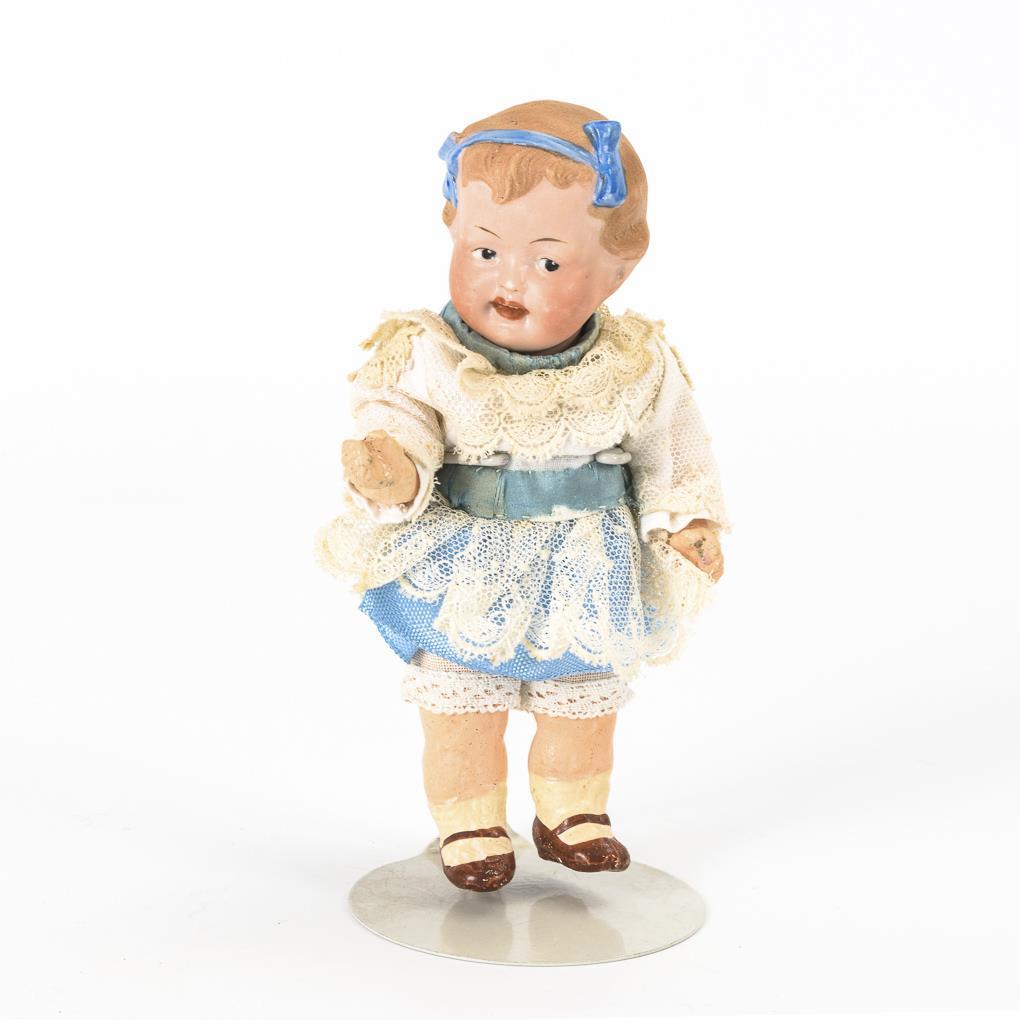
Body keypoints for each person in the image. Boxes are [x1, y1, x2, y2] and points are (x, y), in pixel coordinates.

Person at [318, 100, 729, 892]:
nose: (508, 280)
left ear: (617, 269)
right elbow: (402, 418)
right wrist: (393, 466)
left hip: (585, 566)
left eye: (547, 264)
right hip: (470, 561)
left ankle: (572, 810)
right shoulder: (431, 354)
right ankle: (470, 818)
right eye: (483, 250)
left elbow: (673, 445)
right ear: (451, 232)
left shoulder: (634, 364)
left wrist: (686, 518)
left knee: (583, 703)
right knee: (462, 703)